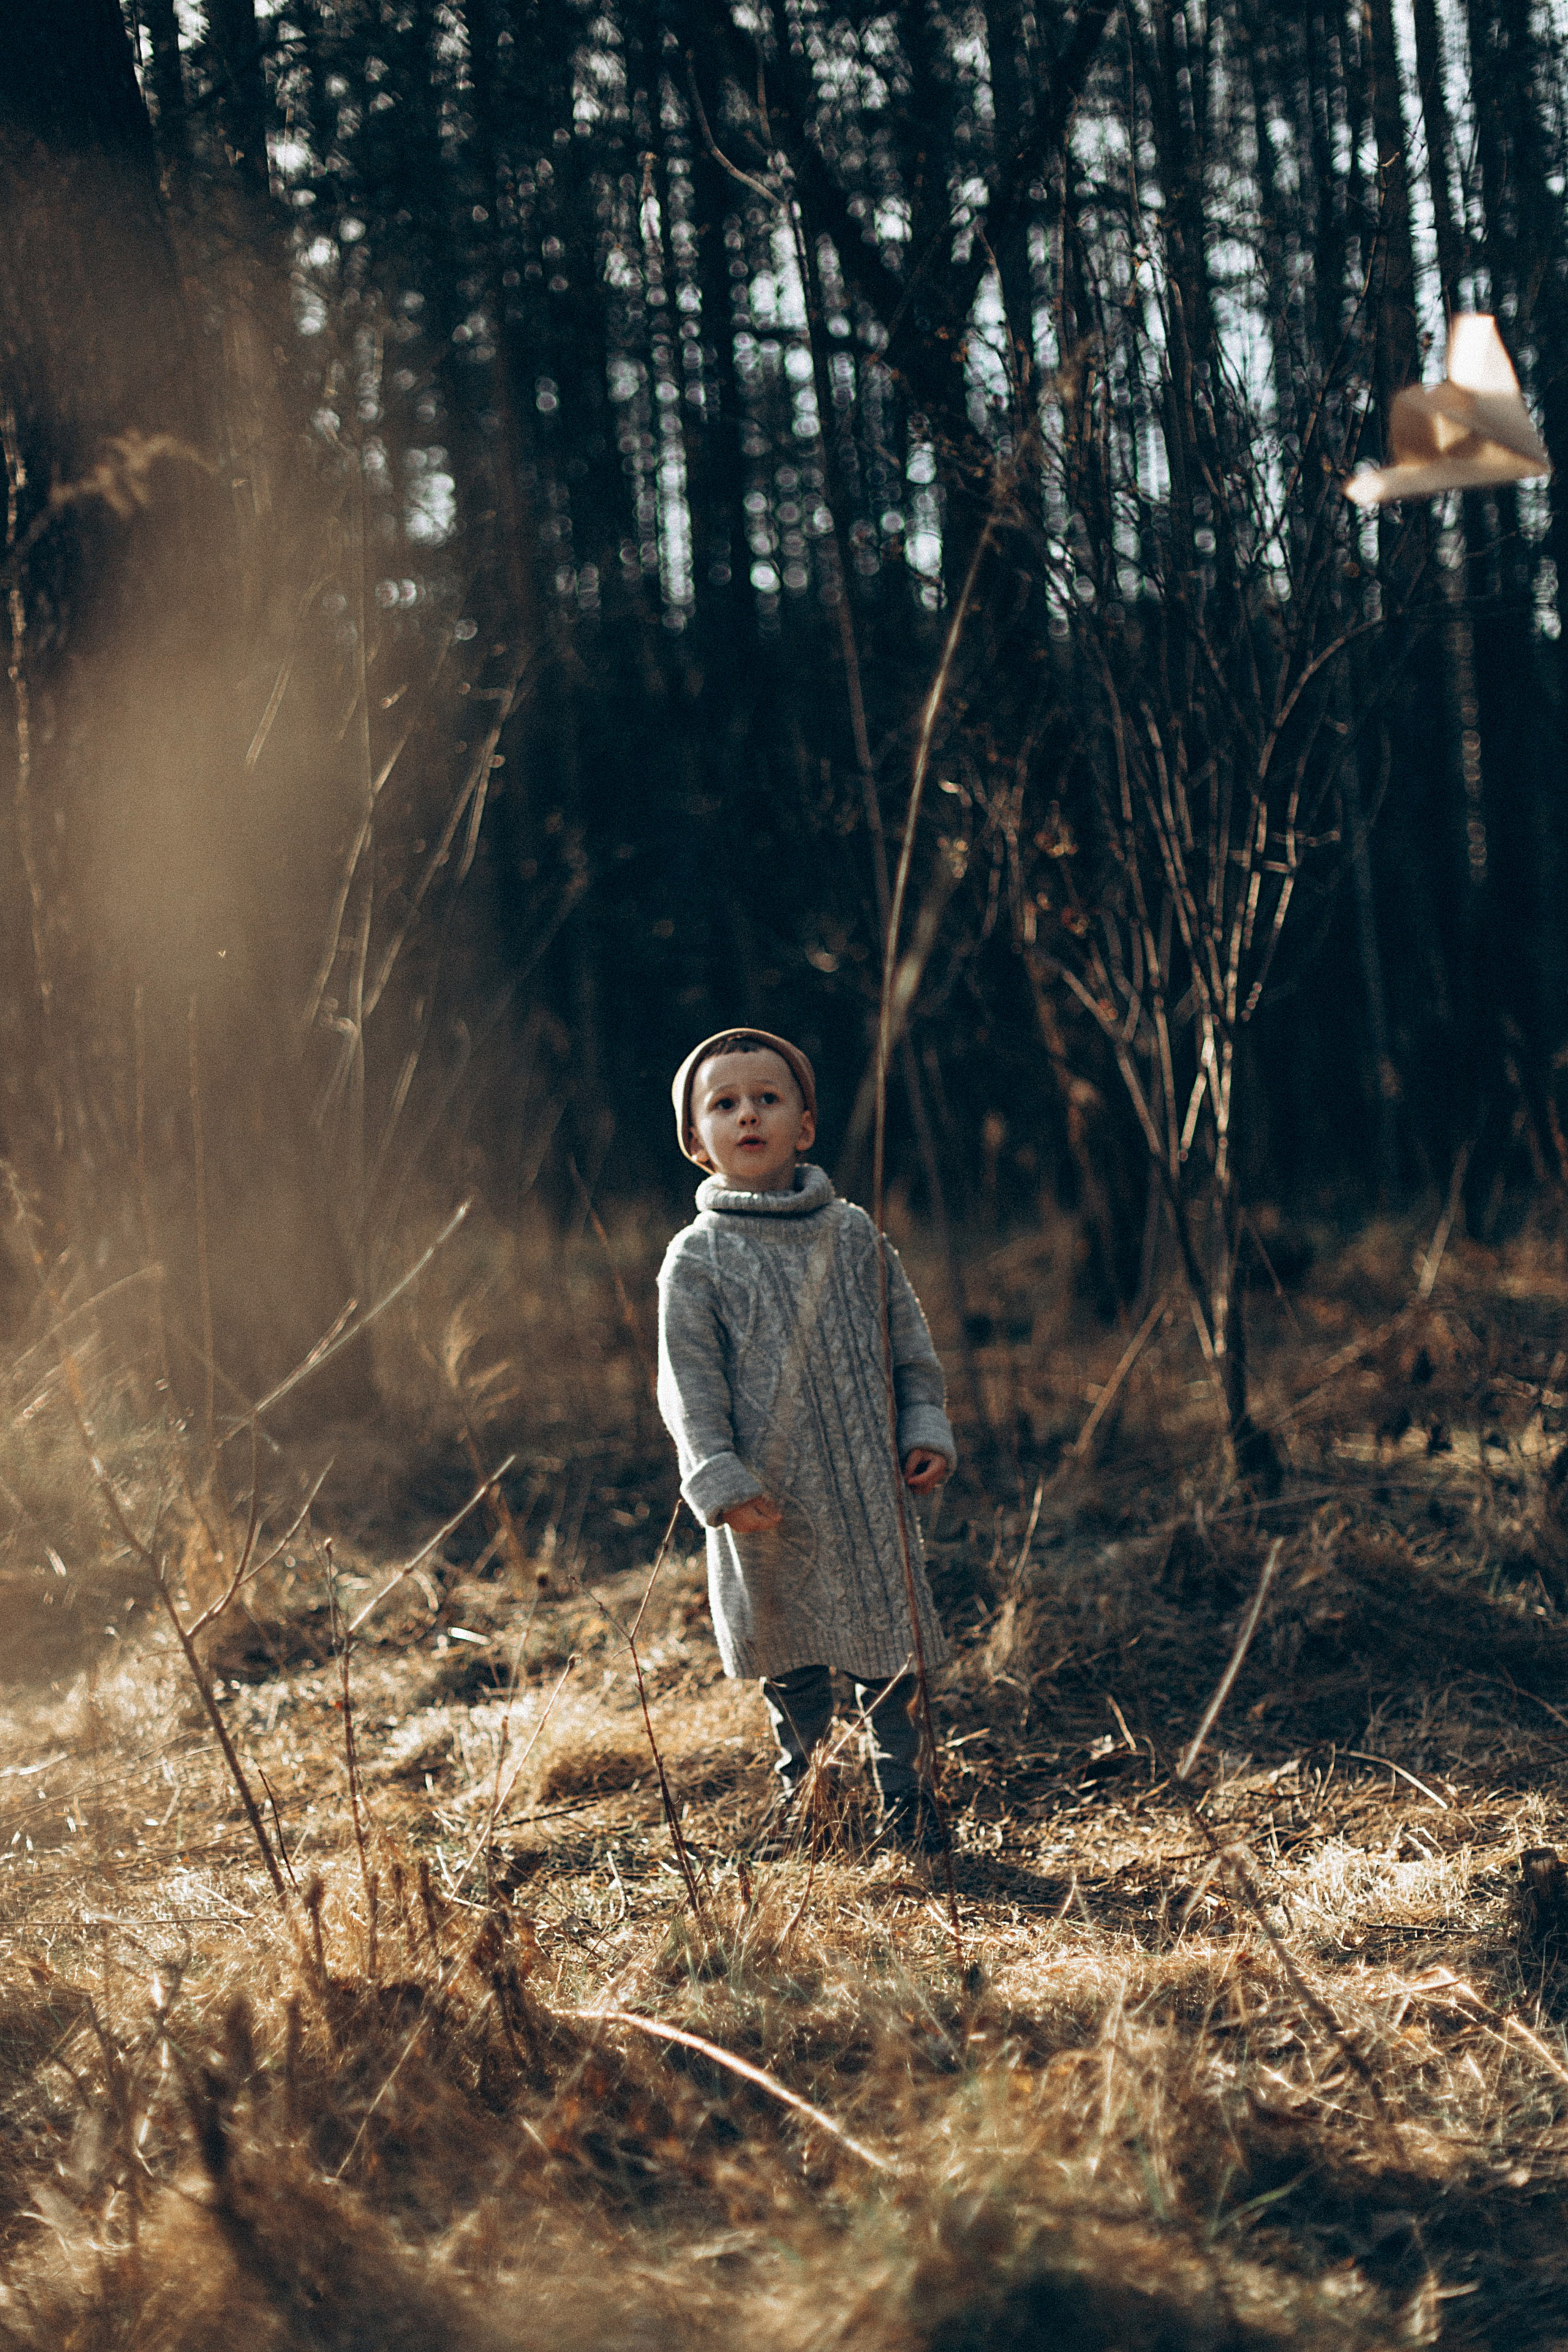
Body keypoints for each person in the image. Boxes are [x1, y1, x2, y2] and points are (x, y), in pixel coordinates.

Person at [656, 1027, 956, 1855]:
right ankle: (812, 1799)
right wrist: (718, 1478)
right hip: (769, 1504)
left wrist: (922, 1428)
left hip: (865, 1493)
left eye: (767, 1099)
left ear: (806, 1125)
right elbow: (688, 1388)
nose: (747, 1115)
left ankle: (909, 1803)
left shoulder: (851, 1234)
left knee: (887, 1652)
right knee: (790, 1659)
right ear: (696, 1141)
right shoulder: (698, 1260)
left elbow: (909, 1348)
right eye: (724, 1105)